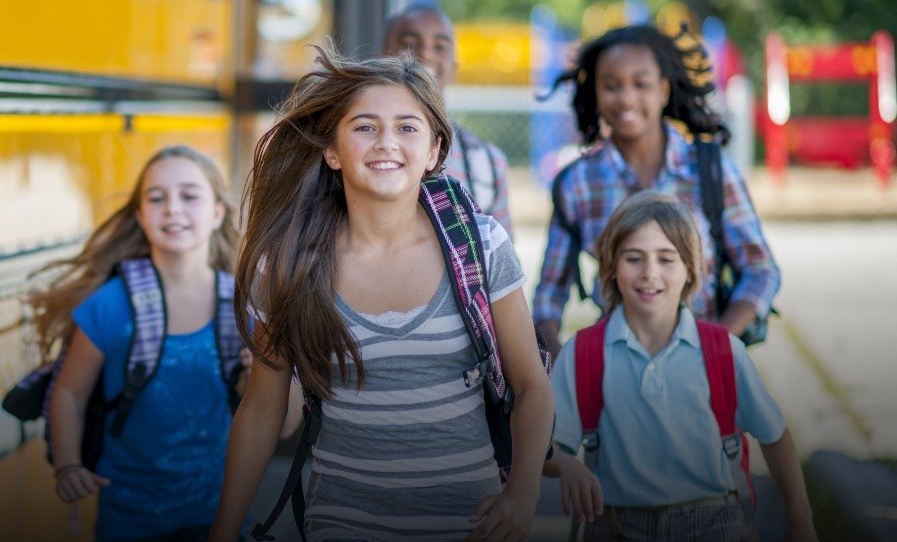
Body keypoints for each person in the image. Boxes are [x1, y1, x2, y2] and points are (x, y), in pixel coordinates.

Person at [210, 48, 553, 542]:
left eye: (407, 127)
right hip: (343, 524)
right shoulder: (288, 264)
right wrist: (223, 531)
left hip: (473, 523)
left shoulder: (480, 245)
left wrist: (523, 494)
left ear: (435, 150)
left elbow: (532, 386)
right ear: (332, 150)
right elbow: (262, 410)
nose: (386, 142)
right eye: (365, 126)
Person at [543, 191, 816, 541]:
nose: (650, 273)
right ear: (610, 266)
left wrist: (800, 518)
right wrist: (566, 465)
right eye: (634, 258)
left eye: (666, 259)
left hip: (714, 522)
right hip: (612, 525)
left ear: (692, 269)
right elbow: (545, 448)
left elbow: (774, 436)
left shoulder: (722, 351)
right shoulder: (583, 353)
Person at [533, 24, 780, 356]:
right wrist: (560, 367)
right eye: (611, 85)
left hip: (703, 372)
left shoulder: (710, 170)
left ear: (663, 90)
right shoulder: (576, 183)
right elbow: (549, 295)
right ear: (595, 91)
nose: (626, 97)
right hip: (614, 372)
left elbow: (760, 269)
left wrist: (715, 347)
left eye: (641, 84)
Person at [40, 145, 243, 541]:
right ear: (140, 216)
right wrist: (68, 465)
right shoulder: (111, 305)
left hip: (217, 516)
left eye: (189, 195)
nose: (172, 208)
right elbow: (69, 393)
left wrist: (258, 374)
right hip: (127, 519)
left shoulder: (241, 308)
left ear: (218, 212)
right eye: (156, 198)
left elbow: (280, 421)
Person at [384, 4, 516, 238]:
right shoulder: (357, 147)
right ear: (381, 56)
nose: (425, 53)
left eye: (440, 46)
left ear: (454, 67)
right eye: (409, 43)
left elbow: (501, 262)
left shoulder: (486, 164)